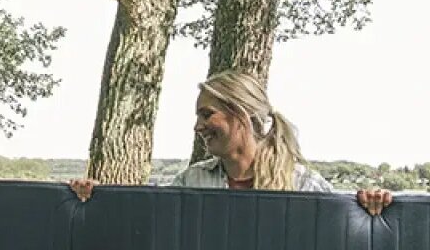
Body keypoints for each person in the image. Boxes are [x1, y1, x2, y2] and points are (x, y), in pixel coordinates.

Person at [69, 70, 393, 216]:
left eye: (207, 114)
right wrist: (96, 199)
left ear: (241, 114)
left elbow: (343, 233)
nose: (198, 126)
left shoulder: (302, 185)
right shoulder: (191, 181)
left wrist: (372, 205)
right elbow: (147, 221)